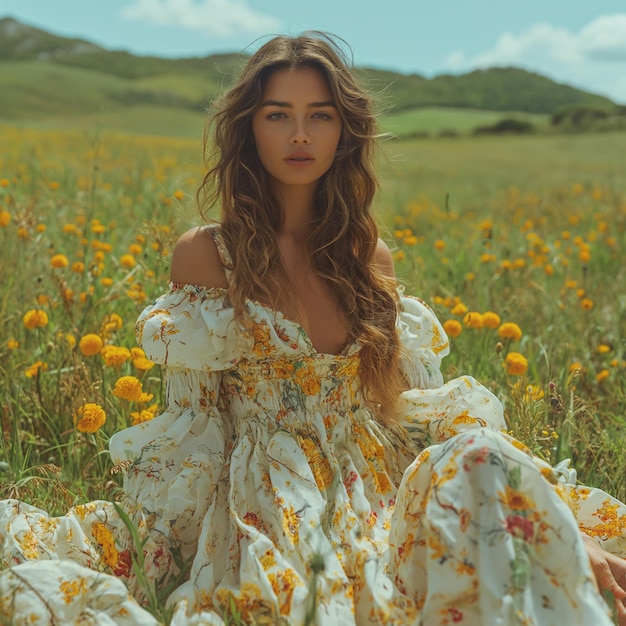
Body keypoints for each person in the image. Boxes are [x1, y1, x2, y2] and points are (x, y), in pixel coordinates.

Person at [1, 31, 625, 626]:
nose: (300, 134)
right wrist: (170, 537)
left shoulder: (368, 258)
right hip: (271, 489)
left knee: (482, 459)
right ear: (249, 127)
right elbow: (195, 426)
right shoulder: (207, 256)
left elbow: (405, 407)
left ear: (344, 130)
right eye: (278, 114)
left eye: (320, 115)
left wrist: (546, 514)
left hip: (377, 480)